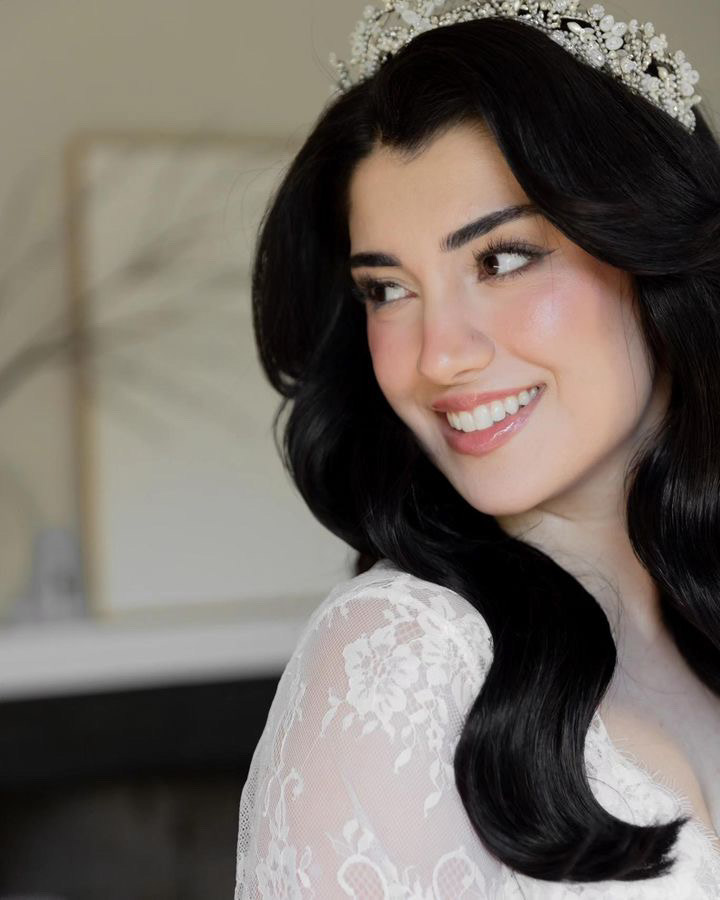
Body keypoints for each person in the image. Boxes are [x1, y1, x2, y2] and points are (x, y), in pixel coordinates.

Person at [235, 1, 720, 896]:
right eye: (387, 290)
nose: (439, 356)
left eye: (500, 259)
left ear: (647, 249)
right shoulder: (399, 657)